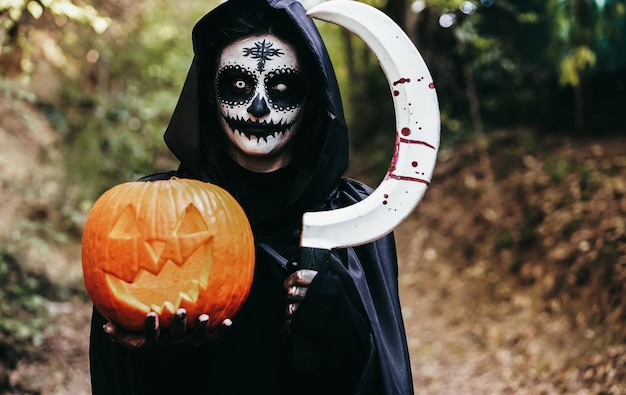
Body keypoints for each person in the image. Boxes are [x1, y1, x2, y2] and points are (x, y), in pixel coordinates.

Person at [88, 0, 414, 393]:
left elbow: (380, 375)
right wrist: (159, 360)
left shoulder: (353, 214)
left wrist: (338, 320)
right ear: (210, 92)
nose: (259, 107)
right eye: (239, 85)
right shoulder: (149, 215)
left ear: (312, 95)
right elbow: (118, 375)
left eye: (281, 86)